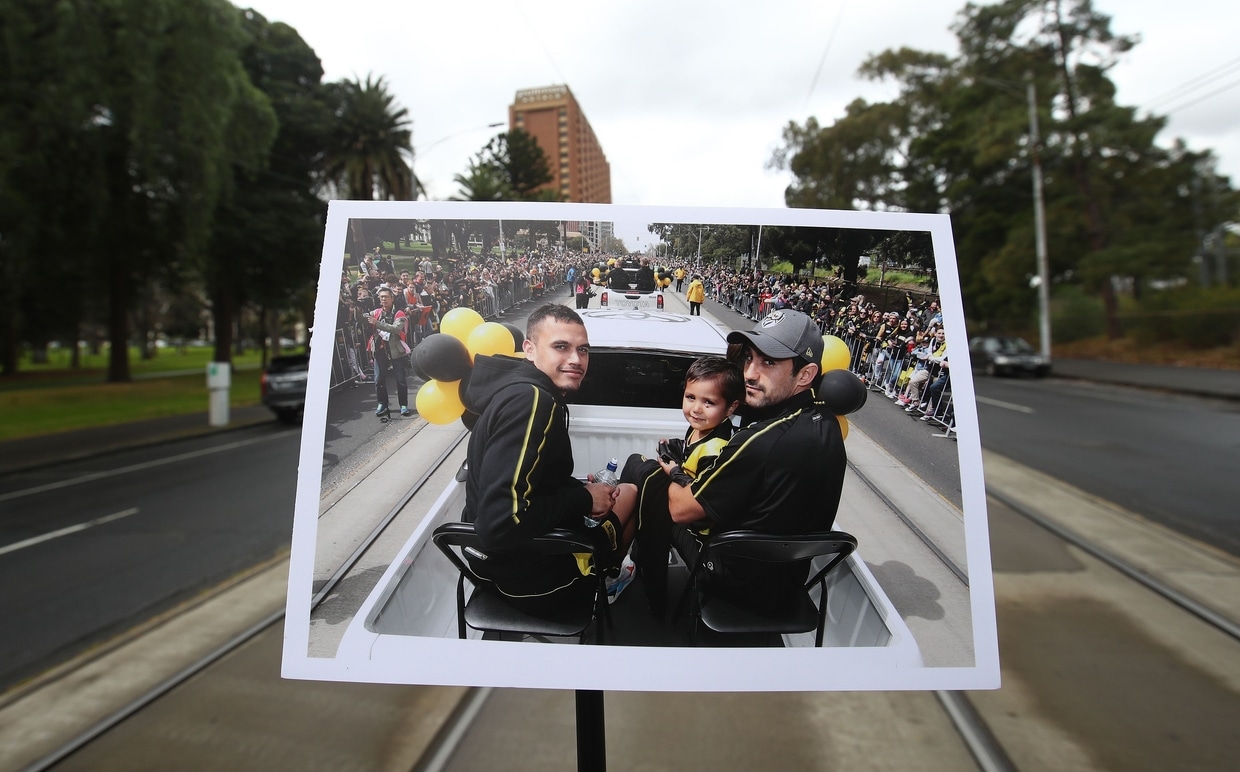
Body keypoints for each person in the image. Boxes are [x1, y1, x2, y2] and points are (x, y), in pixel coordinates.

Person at [657, 309, 847, 612]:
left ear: (806, 374)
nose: (749, 373)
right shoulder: (826, 423)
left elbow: (681, 510)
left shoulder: (761, 440)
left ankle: (647, 596)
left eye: (768, 362)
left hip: (733, 581)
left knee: (653, 486)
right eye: (749, 358)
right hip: (788, 584)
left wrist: (673, 470)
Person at [461, 304, 638, 614]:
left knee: (617, 493)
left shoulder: (518, 391)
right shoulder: (532, 401)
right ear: (529, 349)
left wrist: (579, 491)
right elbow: (499, 523)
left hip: (487, 566)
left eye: (583, 350)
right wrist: (584, 500)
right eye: (561, 347)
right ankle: (605, 580)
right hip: (527, 578)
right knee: (631, 494)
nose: (576, 359)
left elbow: (529, 481)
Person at [622, 356, 742, 616]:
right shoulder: (701, 428)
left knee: (649, 492)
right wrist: (673, 448)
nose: (696, 409)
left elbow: (700, 494)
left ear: (730, 408)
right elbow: (690, 452)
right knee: (639, 472)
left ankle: (652, 590)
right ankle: (636, 557)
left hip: (700, 532)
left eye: (709, 402)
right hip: (686, 510)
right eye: (690, 397)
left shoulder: (718, 448)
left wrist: (674, 471)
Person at [367, 287, 411, 418]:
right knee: (378, 380)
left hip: (395, 350)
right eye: (381, 297)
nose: (383, 299)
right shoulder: (376, 312)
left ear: (392, 298)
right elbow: (362, 319)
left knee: (400, 380)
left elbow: (396, 329)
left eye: (386, 296)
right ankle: (382, 403)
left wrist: (377, 323)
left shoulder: (399, 314)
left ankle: (403, 405)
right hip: (380, 350)